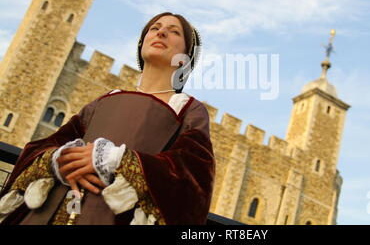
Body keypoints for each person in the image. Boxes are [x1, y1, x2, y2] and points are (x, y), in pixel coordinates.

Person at [0, 12, 215, 225]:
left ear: (186, 57)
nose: (161, 32)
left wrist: (115, 159)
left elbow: (193, 177)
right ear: (142, 43)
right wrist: (62, 159)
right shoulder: (104, 101)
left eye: (174, 31)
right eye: (154, 28)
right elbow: (43, 147)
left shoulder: (188, 109)